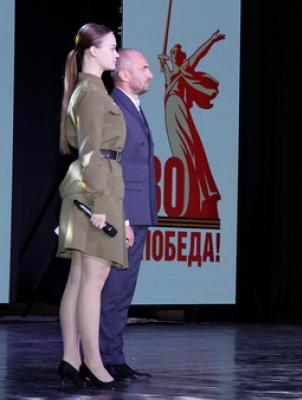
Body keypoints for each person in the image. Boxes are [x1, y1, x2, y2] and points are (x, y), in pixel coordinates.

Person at [56, 23, 124, 389]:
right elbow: (90, 153)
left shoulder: (86, 90)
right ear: (93, 51)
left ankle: (71, 358)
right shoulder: (93, 94)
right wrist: (100, 203)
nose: (116, 53)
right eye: (112, 47)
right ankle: (93, 363)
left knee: (80, 278)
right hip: (95, 192)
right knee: (91, 280)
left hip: (88, 189)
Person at [99, 48, 158, 381]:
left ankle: (112, 356)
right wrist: (120, 217)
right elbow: (109, 166)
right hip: (123, 212)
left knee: (123, 289)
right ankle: (105, 359)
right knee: (114, 289)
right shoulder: (114, 107)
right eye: (144, 68)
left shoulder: (132, 106)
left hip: (138, 210)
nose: (150, 74)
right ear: (124, 74)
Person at [158, 30, 225, 219]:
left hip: (178, 108)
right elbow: (166, 73)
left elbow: (199, 53)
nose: (175, 54)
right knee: (178, 150)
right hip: (170, 112)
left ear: (182, 56)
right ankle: (187, 195)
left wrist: (211, 39)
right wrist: (163, 63)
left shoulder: (185, 68)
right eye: (173, 52)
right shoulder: (170, 73)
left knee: (189, 148)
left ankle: (197, 194)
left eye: (177, 52)